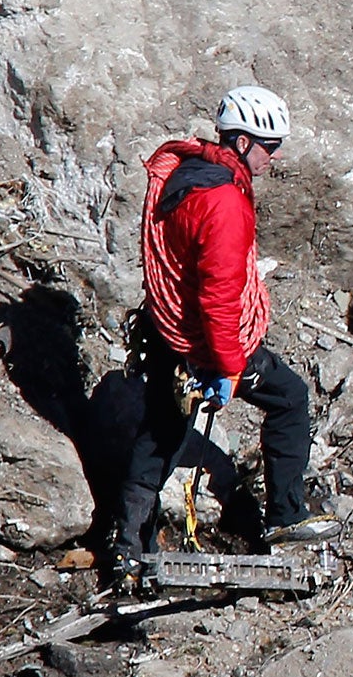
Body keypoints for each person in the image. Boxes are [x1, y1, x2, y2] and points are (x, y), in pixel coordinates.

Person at [113, 86, 338, 581]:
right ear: (241, 143)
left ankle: (130, 549)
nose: (274, 158)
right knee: (289, 398)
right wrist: (229, 368)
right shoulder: (223, 203)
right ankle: (285, 515)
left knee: (161, 434)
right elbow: (219, 294)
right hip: (205, 343)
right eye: (269, 147)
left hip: (165, 331)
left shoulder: (184, 177)